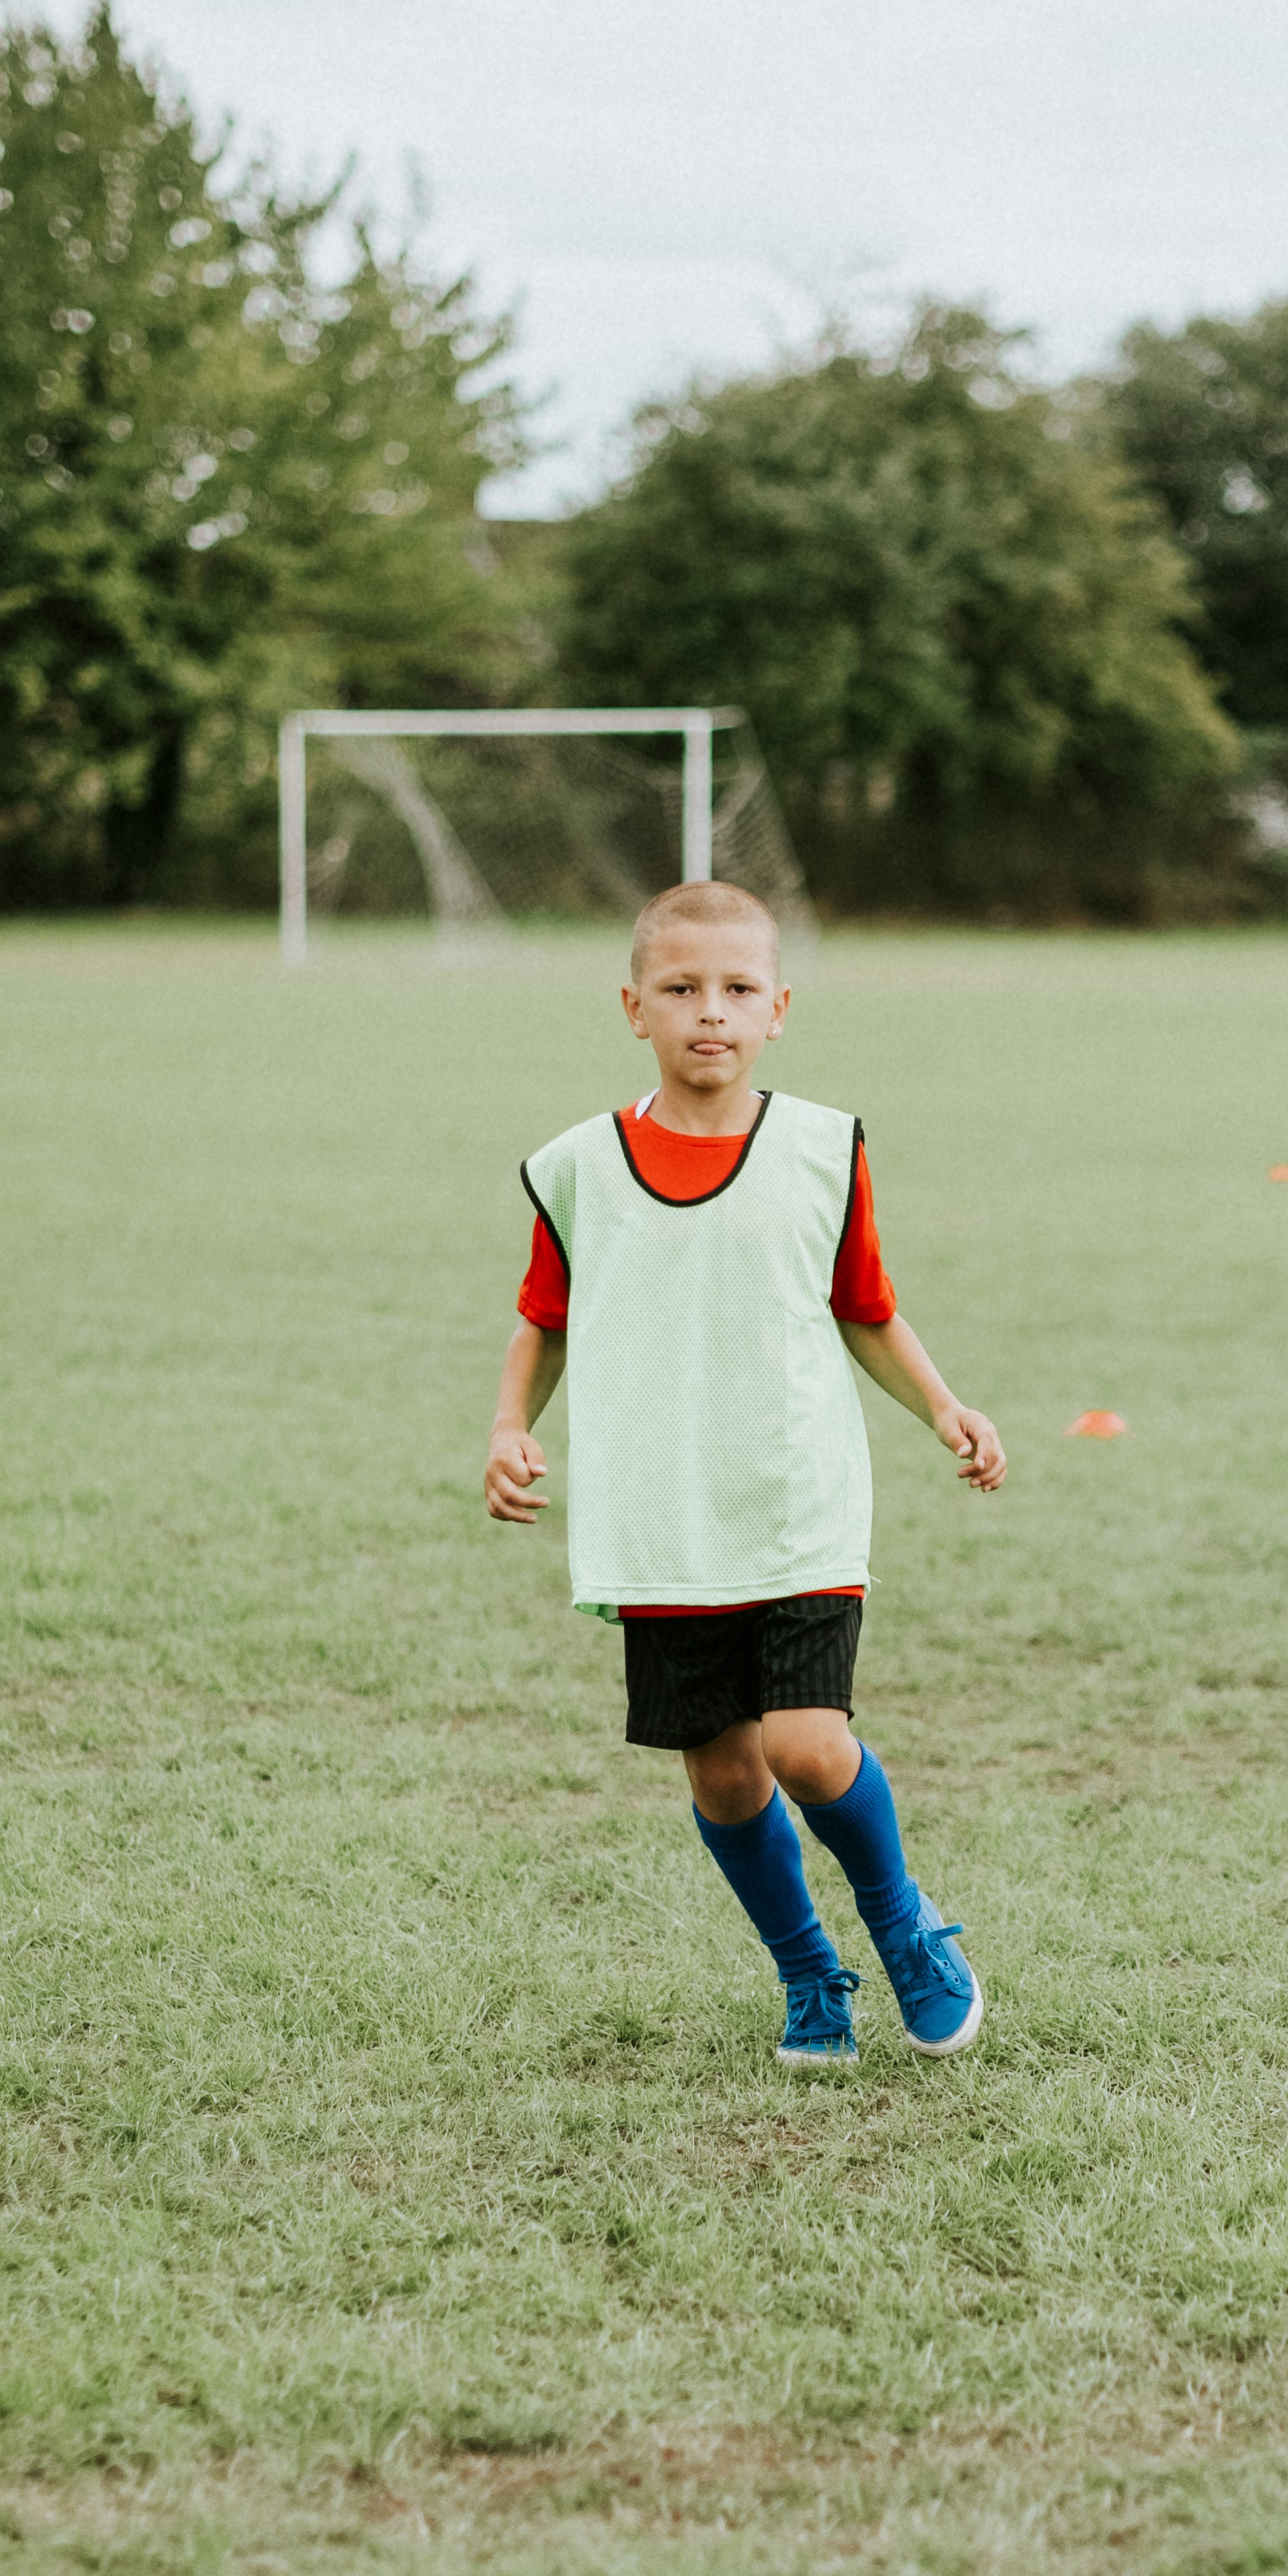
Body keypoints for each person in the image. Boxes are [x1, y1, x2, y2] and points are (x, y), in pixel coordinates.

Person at [485, 880, 1007, 2067]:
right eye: (680, 990)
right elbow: (544, 1314)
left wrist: (945, 1409)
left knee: (807, 1746)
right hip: (660, 1520)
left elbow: (865, 1307)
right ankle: (809, 1975)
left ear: (780, 1006)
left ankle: (903, 1926)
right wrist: (512, 1425)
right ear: (634, 1008)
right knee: (724, 1779)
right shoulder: (578, 1167)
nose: (708, 1014)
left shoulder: (823, 1148)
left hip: (795, 1504)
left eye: (735, 991)